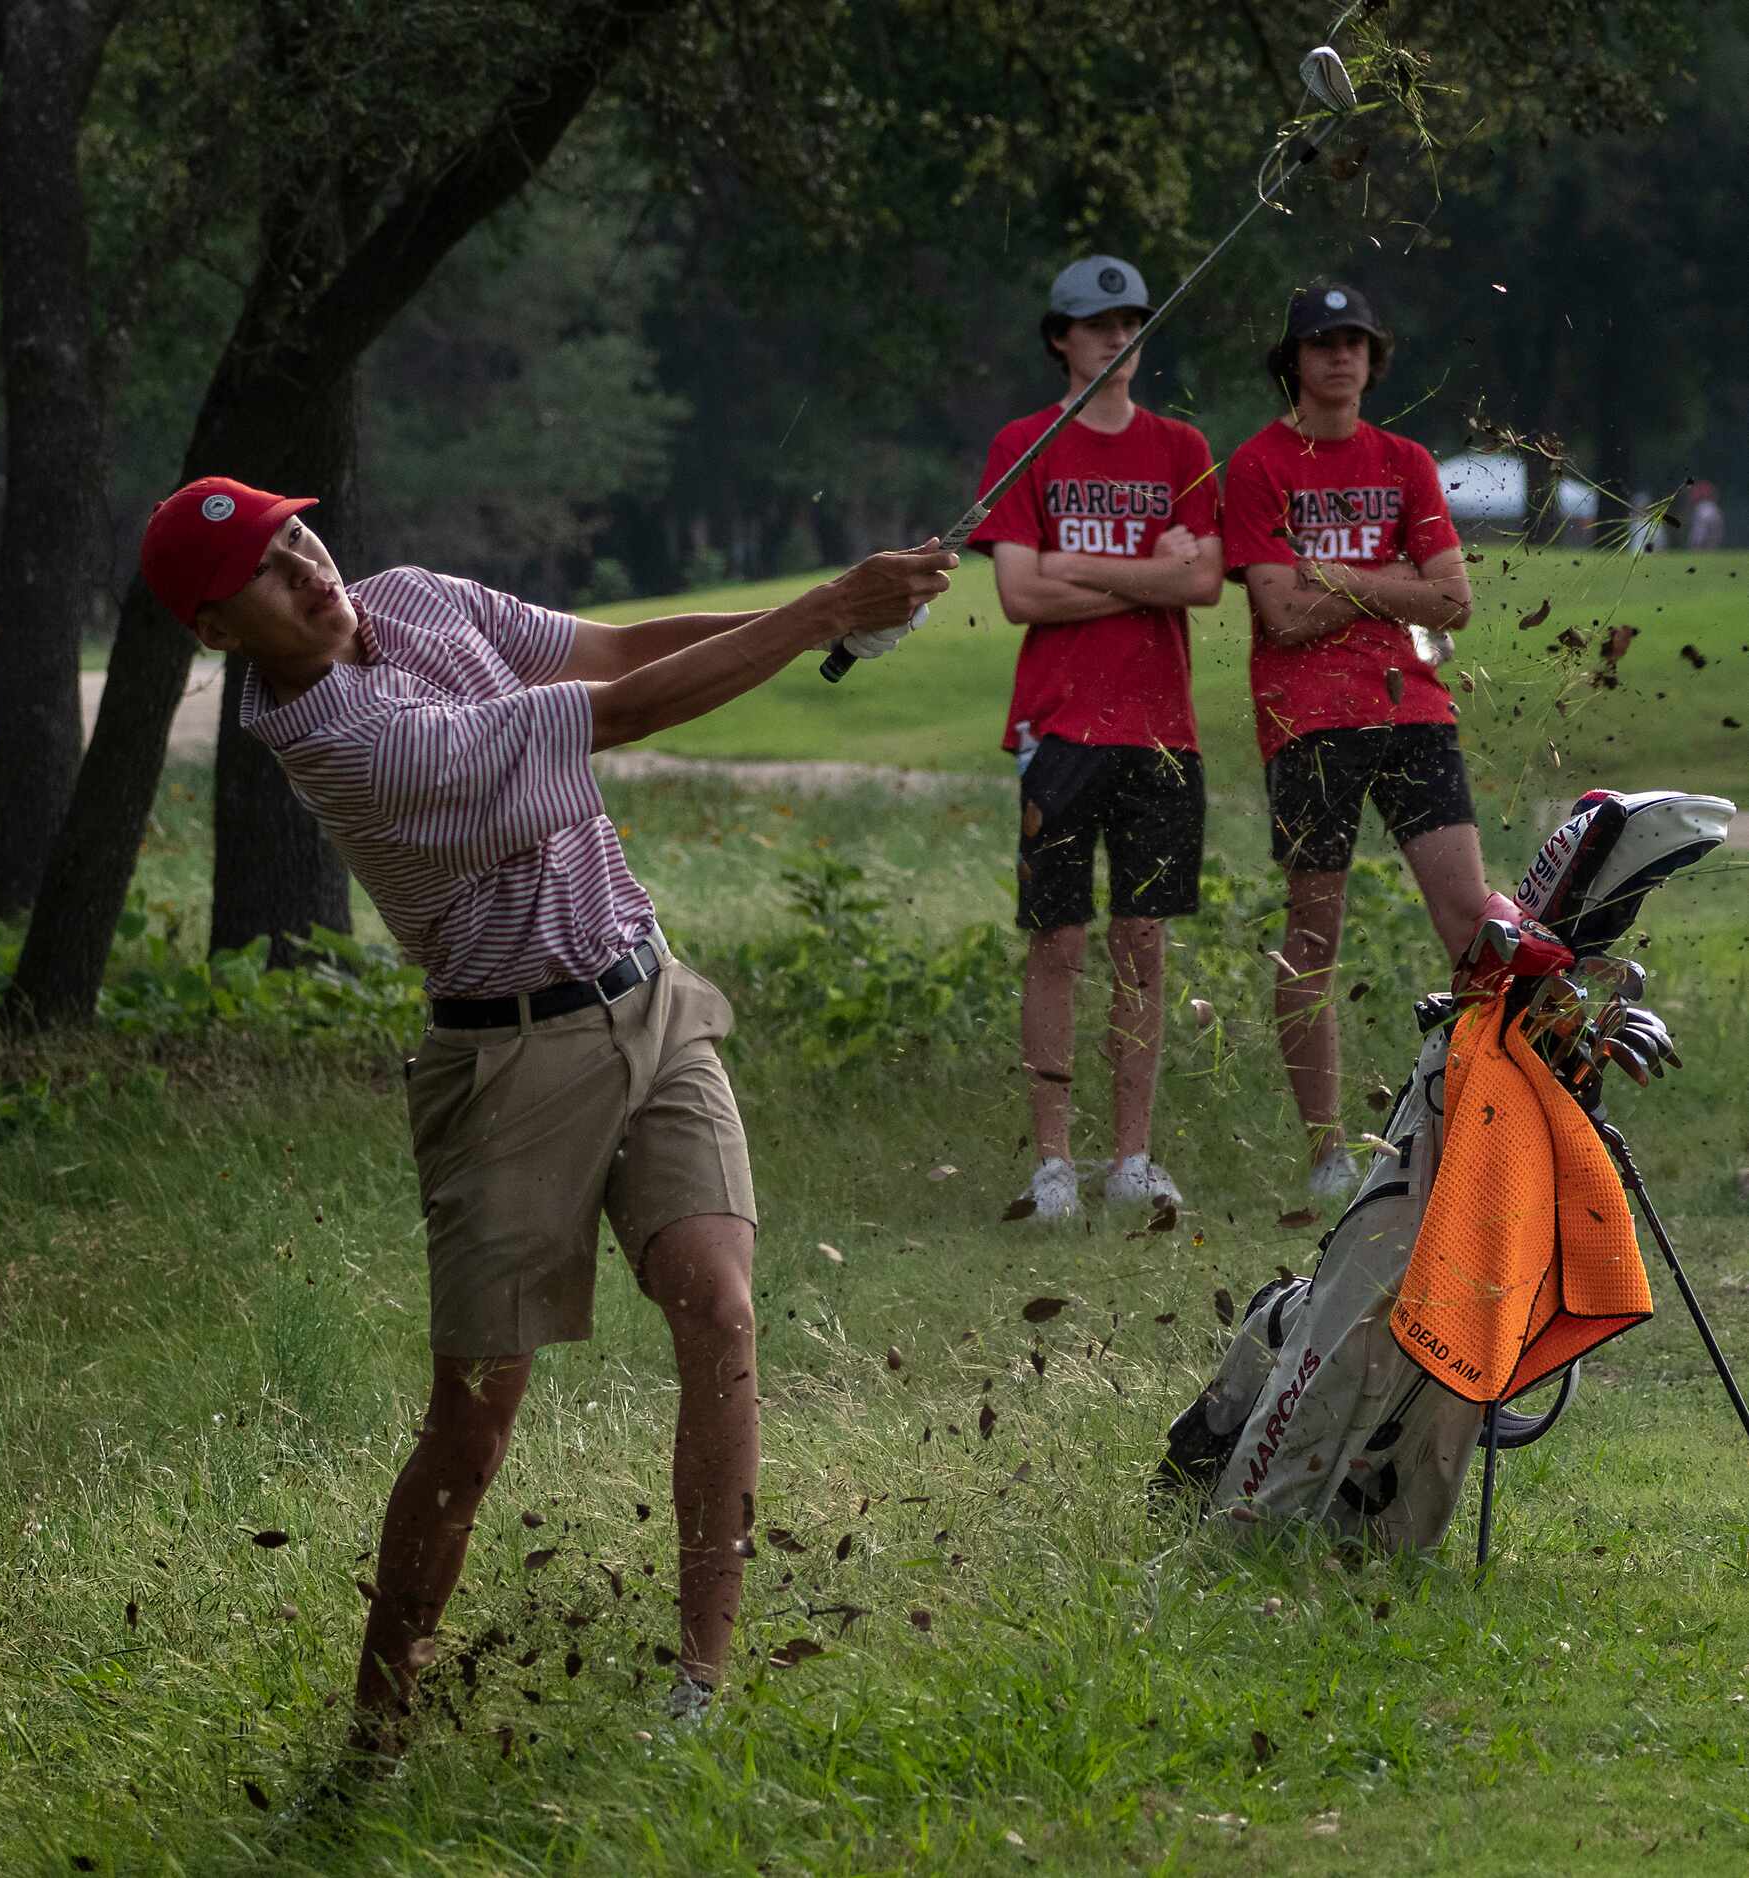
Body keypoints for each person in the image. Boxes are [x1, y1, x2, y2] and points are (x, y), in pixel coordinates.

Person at [138, 479, 954, 1753]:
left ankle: (701, 1684)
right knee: (472, 1424)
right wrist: (816, 613)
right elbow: (621, 711)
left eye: (297, 534)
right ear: (216, 629)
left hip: (648, 995)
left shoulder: (409, 598)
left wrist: (836, 620)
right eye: (263, 571)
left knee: (718, 1302)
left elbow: (621, 647)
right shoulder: (346, 746)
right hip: (505, 1066)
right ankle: (376, 1735)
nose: (305, 566)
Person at [968, 255, 1223, 1221]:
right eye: (1096, 325)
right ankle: (1053, 1165)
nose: (1118, 340)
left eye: (1131, 324)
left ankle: (1131, 1158)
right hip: (1060, 727)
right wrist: (1137, 567)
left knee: (1143, 943)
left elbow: (1202, 583)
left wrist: (1084, 566)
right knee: (1058, 943)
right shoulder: (1024, 446)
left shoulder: (1181, 447)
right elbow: (1019, 592)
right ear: (1060, 340)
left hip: (1163, 730)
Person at [1220, 281, 1484, 1202]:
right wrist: (1389, 580)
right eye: (1322, 341)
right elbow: (1279, 616)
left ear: (1375, 358)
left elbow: (1454, 600)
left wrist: (1330, 570)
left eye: (1356, 342)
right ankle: (1330, 1151)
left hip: (1414, 712)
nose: (1340, 355)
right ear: (1292, 360)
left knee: (1471, 922)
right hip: (1308, 722)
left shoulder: (1406, 460)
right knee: (1315, 934)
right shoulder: (1257, 465)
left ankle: (1487, 1128)